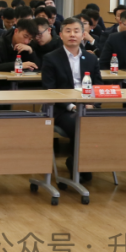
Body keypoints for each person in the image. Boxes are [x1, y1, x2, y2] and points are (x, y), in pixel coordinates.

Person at [42, 17, 103, 182]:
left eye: (76, 31)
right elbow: (50, 90)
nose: (72, 35)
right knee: (80, 122)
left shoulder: (91, 58)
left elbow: (98, 86)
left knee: (105, 122)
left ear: (83, 35)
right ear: (61, 35)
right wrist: (72, 106)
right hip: (61, 109)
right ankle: (77, 163)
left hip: (87, 107)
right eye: (68, 31)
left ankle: (84, 161)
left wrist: (93, 104)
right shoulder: (51, 58)